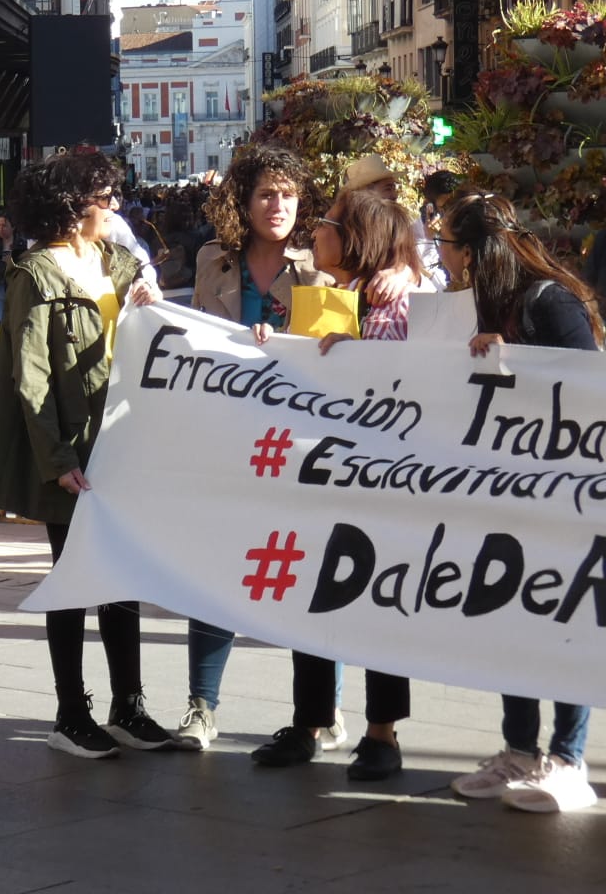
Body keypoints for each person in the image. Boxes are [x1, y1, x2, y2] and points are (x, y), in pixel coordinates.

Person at [0, 152, 172, 760]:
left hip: (120, 439)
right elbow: (30, 375)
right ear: (69, 205)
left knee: (122, 577)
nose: (113, 206)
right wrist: (55, 458)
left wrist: (149, 286)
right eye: (102, 197)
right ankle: (70, 711)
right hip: (71, 445)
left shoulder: (114, 258)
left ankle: (128, 706)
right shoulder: (36, 273)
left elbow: (147, 295)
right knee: (72, 578)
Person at [437, 190, 604, 813]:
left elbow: (585, 390)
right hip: (504, 491)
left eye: (447, 244)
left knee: (559, 618)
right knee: (509, 615)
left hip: (560, 496)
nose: (443, 257)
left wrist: (511, 367)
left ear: (475, 251)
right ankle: (519, 751)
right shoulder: (482, 304)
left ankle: (567, 759)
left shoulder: (550, 301)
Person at [249, 189, 420, 782]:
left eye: (324, 223)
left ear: (354, 239)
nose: (314, 231)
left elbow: (399, 391)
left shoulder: (394, 303)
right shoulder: (336, 295)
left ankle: (381, 733)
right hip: (322, 475)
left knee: (374, 602)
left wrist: (356, 359)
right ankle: (310, 719)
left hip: (375, 486)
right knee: (313, 594)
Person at [176, 145, 332, 750]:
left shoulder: (320, 265)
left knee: (305, 575)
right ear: (243, 200)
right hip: (228, 441)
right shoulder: (214, 259)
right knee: (215, 570)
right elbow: (192, 343)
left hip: (299, 449)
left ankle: (321, 711)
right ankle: (201, 706)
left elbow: (334, 353)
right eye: (266, 193)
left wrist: (285, 343)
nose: (278, 205)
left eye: (289, 194)